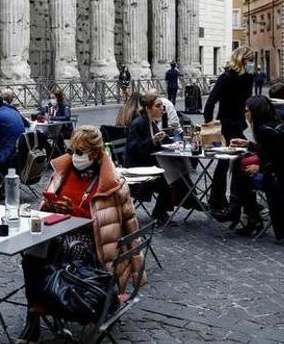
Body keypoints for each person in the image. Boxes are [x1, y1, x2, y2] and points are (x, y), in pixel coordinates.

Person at [17, 126, 143, 343]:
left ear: (95, 153)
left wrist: (135, 267)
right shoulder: (63, 172)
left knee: (64, 252)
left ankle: (53, 307)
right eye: (71, 150)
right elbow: (45, 210)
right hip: (58, 231)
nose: (74, 156)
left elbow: (128, 223)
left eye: (80, 151)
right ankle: (34, 314)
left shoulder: (113, 182)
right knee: (32, 253)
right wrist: (51, 206)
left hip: (95, 242)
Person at [226, 96, 284, 239]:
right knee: (241, 166)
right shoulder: (274, 124)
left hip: (280, 180)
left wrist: (259, 168)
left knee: (242, 177)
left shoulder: (265, 130)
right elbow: (270, 151)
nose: (245, 114)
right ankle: (241, 211)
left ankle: (245, 214)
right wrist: (248, 144)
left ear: (255, 112)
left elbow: (279, 159)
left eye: (247, 111)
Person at [203, 46, 255, 211]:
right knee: (235, 161)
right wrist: (211, 128)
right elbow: (246, 102)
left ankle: (219, 198)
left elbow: (210, 103)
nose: (252, 64)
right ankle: (237, 201)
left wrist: (210, 124)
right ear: (242, 59)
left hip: (227, 123)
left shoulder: (226, 77)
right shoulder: (245, 78)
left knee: (225, 162)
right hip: (231, 124)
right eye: (250, 60)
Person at [125, 94, 177, 225]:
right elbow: (135, 149)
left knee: (176, 175)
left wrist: (168, 141)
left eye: (162, 106)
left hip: (149, 164)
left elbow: (155, 143)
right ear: (148, 108)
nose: (161, 110)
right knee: (167, 180)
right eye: (158, 106)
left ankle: (164, 210)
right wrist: (153, 141)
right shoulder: (138, 124)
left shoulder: (151, 123)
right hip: (137, 167)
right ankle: (159, 213)